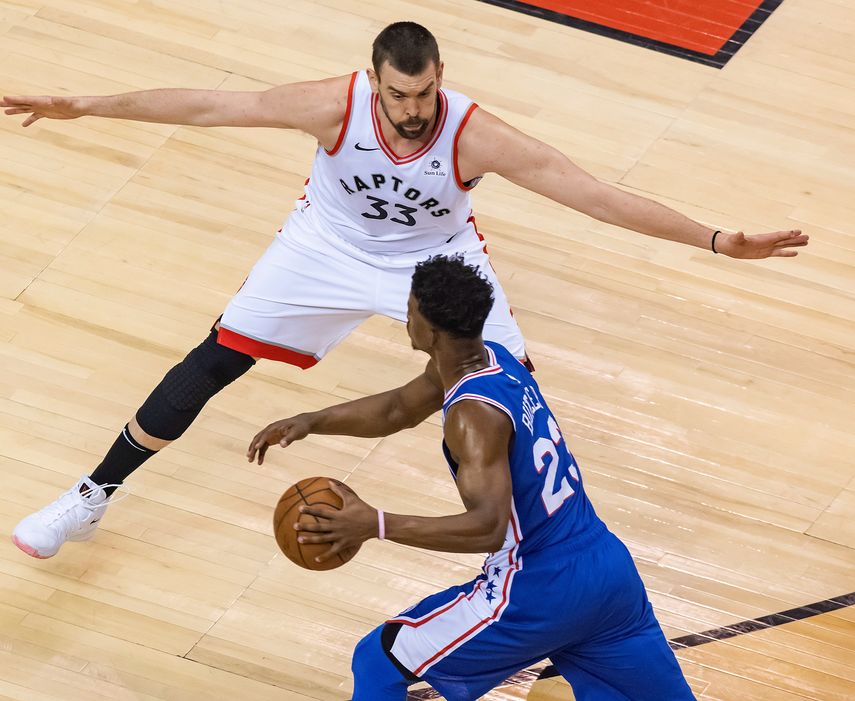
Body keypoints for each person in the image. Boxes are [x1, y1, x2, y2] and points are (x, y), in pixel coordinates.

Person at [6, 21, 808, 559]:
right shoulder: (332, 104)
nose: (413, 110)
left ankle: (532, 552)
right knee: (215, 357)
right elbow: (212, 105)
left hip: (435, 262)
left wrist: (714, 239)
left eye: (424, 94)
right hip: (323, 244)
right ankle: (91, 494)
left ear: (440, 81)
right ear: (374, 82)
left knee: (505, 390)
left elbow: (593, 195)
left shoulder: (473, 133)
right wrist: (84, 106)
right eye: (398, 95)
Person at [247, 255, 697, 701]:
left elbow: (487, 527)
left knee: (378, 660)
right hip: (607, 571)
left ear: (431, 332)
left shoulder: (472, 416)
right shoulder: (494, 359)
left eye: (411, 309)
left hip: (539, 587)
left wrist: (374, 524)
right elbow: (398, 409)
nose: (406, 317)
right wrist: (311, 420)